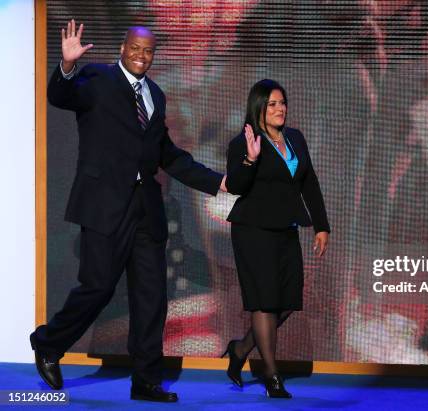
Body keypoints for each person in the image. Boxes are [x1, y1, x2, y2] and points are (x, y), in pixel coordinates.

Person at [30, 20, 227, 402]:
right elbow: (61, 96)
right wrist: (67, 66)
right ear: (123, 47)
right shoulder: (98, 78)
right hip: (104, 205)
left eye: (148, 51)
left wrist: (216, 182)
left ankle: (146, 381)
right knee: (98, 287)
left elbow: (167, 155)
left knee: (151, 297)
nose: (141, 56)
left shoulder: (155, 93)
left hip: (145, 208)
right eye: (135, 48)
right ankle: (48, 344)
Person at [222, 79, 330, 398]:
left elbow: (308, 182)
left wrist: (321, 226)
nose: (279, 108)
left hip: (286, 229)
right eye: (272, 104)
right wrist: (250, 160)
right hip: (252, 230)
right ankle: (271, 375)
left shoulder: (295, 138)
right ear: (258, 107)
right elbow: (237, 186)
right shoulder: (243, 142)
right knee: (264, 302)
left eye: (282, 102)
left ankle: (240, 350)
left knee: (286, 303)